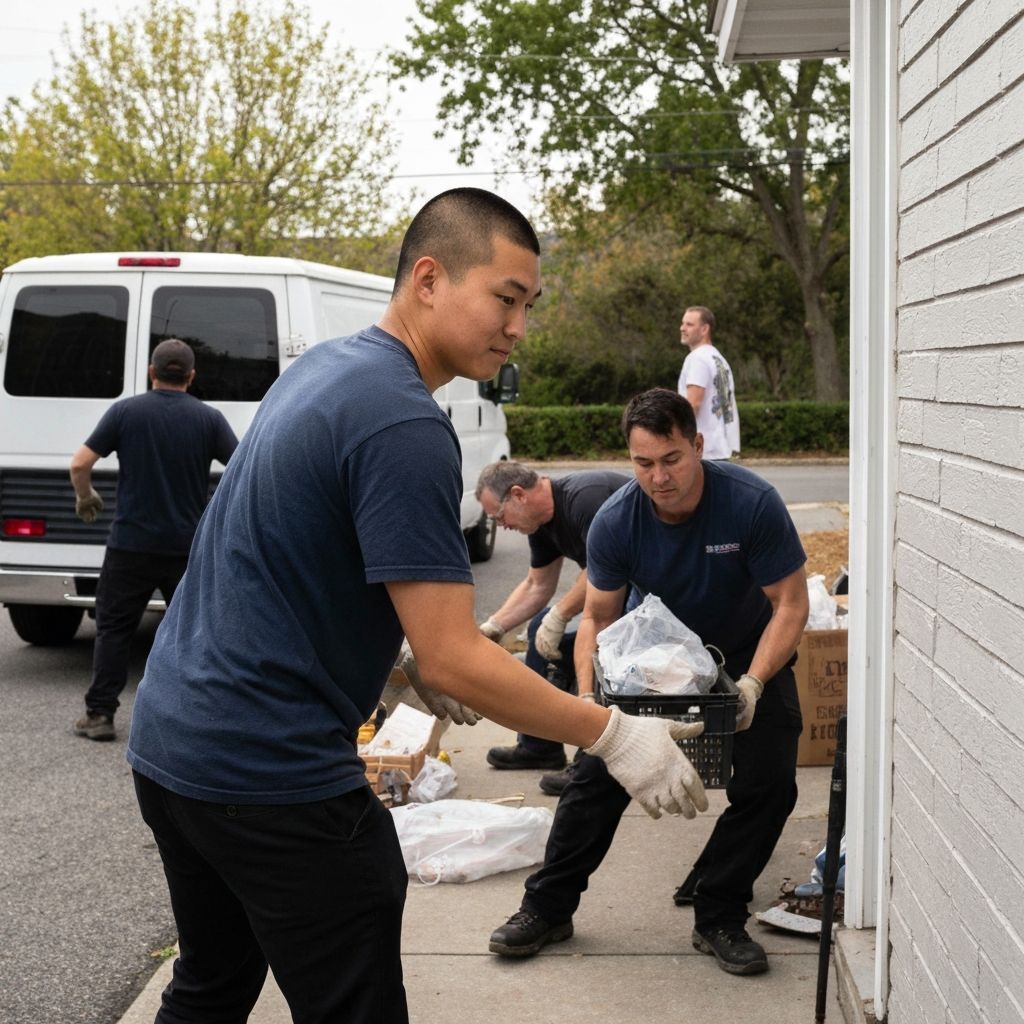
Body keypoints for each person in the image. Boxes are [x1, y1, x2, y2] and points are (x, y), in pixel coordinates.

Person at [125, 190, 709, 1024]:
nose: (518, 326)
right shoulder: (401, 420)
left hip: (173, 746)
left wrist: (390, 665)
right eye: (505, 298)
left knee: (212, 985)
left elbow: (264, 559)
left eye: (528, 306)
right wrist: (615, 735)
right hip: (269, 774)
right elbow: (455, 656)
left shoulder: (325, 369)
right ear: (428, 278)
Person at [489, 387, 808, 977]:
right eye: (642, 463)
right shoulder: (617, 520)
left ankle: (719, 913)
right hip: (655, 666)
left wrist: (757, 683)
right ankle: (547, 908)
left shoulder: (751, 503)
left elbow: (789, 604)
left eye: (671, 460)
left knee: (769, 786)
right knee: (593, 779)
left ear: (698, 445)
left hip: (745, 656)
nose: (658, 478)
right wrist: (589, 706)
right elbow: (600, 620)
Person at [70, 338, 237, 742]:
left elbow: (80, 463)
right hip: (184, 547)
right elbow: (243, 468)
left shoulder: (126, 412)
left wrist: (85, 495)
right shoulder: (208, 419)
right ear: (192, 376)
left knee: (113, 629)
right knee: (193, 635)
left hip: (130, 545)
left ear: (152, 372)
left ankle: (100, 715)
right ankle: (194, 720)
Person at [475, 461, 629, 792]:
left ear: (518, 495)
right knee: (539, 633)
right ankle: (539, 746)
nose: (501, 526)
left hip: (650, 599)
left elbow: (603, 572)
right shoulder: (541, 523)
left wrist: (558, 616)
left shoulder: (586, 500)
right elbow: (537, 585)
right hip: (616, 601)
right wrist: (493, 627)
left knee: (596, 651)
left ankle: (590, 766)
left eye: (499, 516)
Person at [677, 305, 740, 460]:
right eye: (683, 323)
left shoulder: (697, 358)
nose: (682, 328)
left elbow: (693, 405)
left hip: (703, 450)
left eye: (689, 324)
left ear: (705, 329)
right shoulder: (718, 359)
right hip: (722, 447)